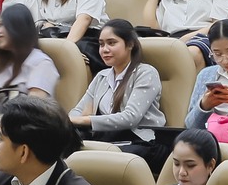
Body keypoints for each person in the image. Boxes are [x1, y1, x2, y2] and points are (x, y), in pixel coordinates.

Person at [67, 19, 166, 170]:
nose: (104, 49)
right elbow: (78, 111)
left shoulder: (146, 73)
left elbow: (131, 118)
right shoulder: (101, 76)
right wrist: (72, 119)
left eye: (111, 43)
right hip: (106, 141)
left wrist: (84, 120)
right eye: (101, 44)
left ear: (130, 44)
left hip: (139, 142)